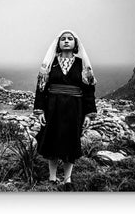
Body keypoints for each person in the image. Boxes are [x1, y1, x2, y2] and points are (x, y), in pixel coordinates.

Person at [33, 30, 97, 190]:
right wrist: (40, 110)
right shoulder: (50, 64)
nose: (66, 41)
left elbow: (89, 90)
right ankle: (52, 177)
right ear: (58, 43)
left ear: (75, 44)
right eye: (63, 39)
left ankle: (67, 179)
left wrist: (89, 114)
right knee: (52, 141)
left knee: (71, 142)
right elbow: (41, 88)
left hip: (75, 109)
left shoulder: (81, 64)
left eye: (70, 39)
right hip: (52, 107)